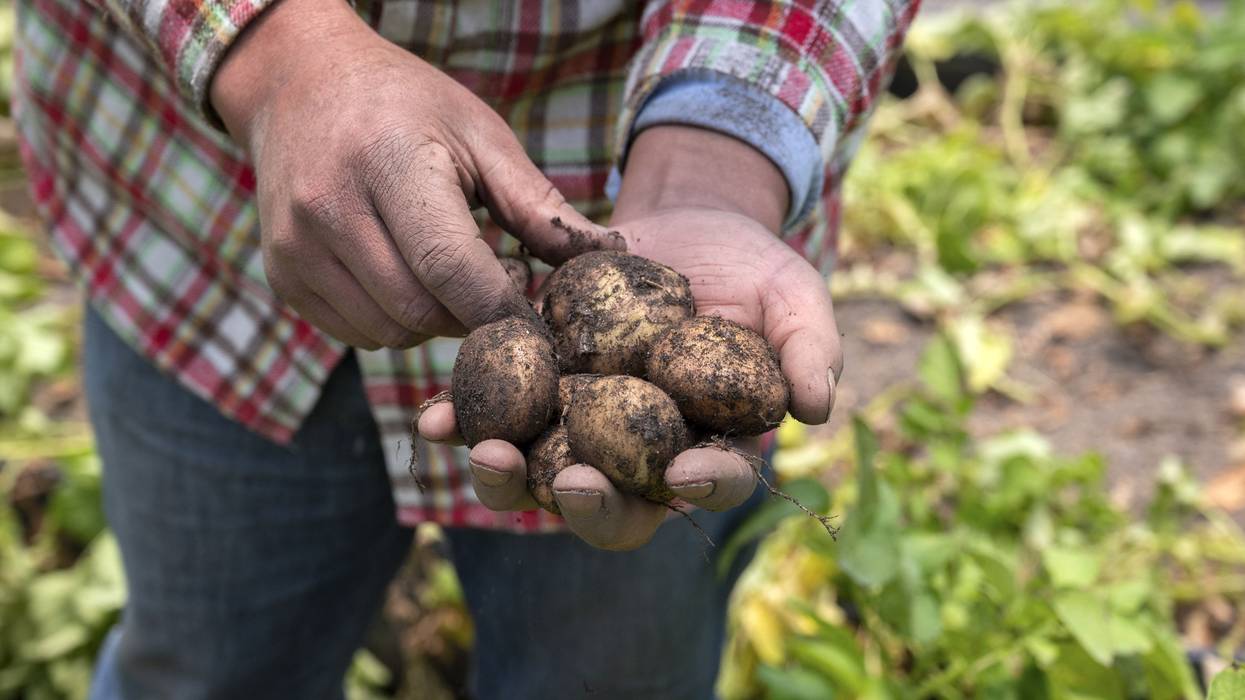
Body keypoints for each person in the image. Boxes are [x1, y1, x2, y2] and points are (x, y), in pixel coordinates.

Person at [14, 0, 918, 696]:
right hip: (201, 228)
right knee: (206, 668)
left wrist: (712, 169)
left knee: (608, 676)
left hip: (628, 146)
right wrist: (279, 58)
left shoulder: (608, 353)